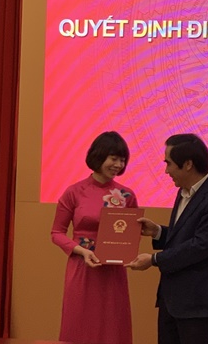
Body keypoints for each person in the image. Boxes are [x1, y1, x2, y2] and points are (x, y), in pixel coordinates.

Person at [126, 133, 208, 344]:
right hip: (170, 302)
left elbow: (200, 246)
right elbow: (184, 237)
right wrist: (158, 232)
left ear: (187, 164)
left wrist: (154, 259)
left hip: (197, 306)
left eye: (168, 163)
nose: (166, 171)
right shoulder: (183, 192)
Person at [51, 131, 138, 344]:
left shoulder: (127, 195)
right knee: (79, 322)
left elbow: (130, 233)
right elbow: (57, 233)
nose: (118, 165)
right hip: (82, 267)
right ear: (98, 156)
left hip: (113, 270)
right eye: (113, 158)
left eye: (122, 160)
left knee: (112, 324)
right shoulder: (74, 192)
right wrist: (81, 250)